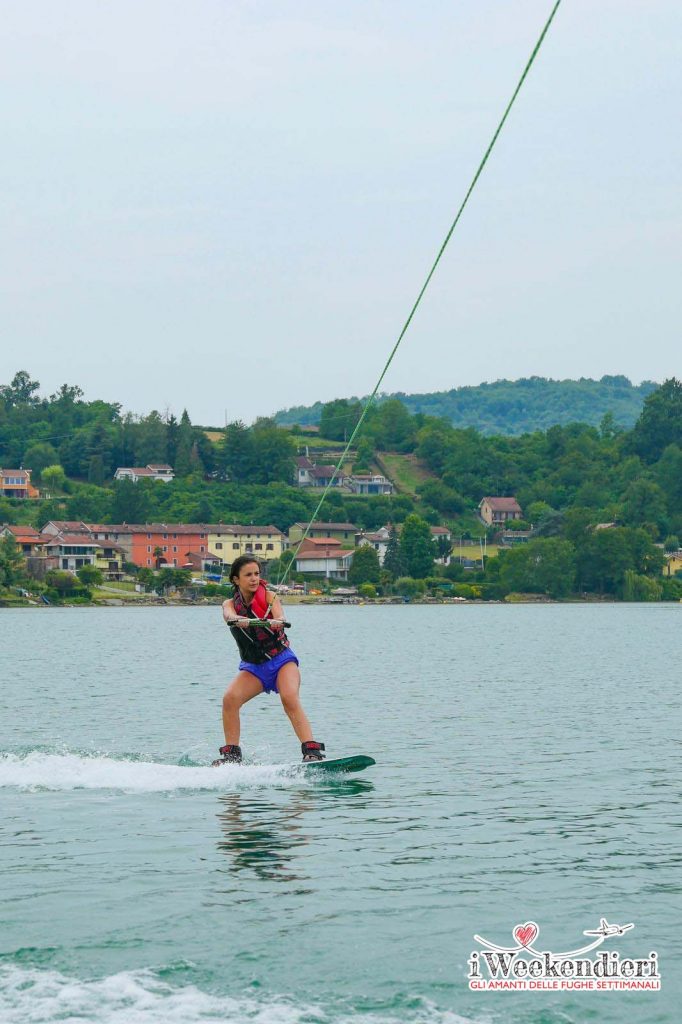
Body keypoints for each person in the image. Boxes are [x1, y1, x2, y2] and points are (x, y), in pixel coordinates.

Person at [213, 555, 325, 765]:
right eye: (248, 575)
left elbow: (280, 617)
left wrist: (276, 622)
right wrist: (240, 620)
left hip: (282, 661)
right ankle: (232, 757)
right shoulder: (229, 604)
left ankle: (311, 752)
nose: (254, 579)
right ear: (236, 579)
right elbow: (229, 616)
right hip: (255, 668)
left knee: (289, 698)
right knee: (230, 699)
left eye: (257, 574)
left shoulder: (270, 597)